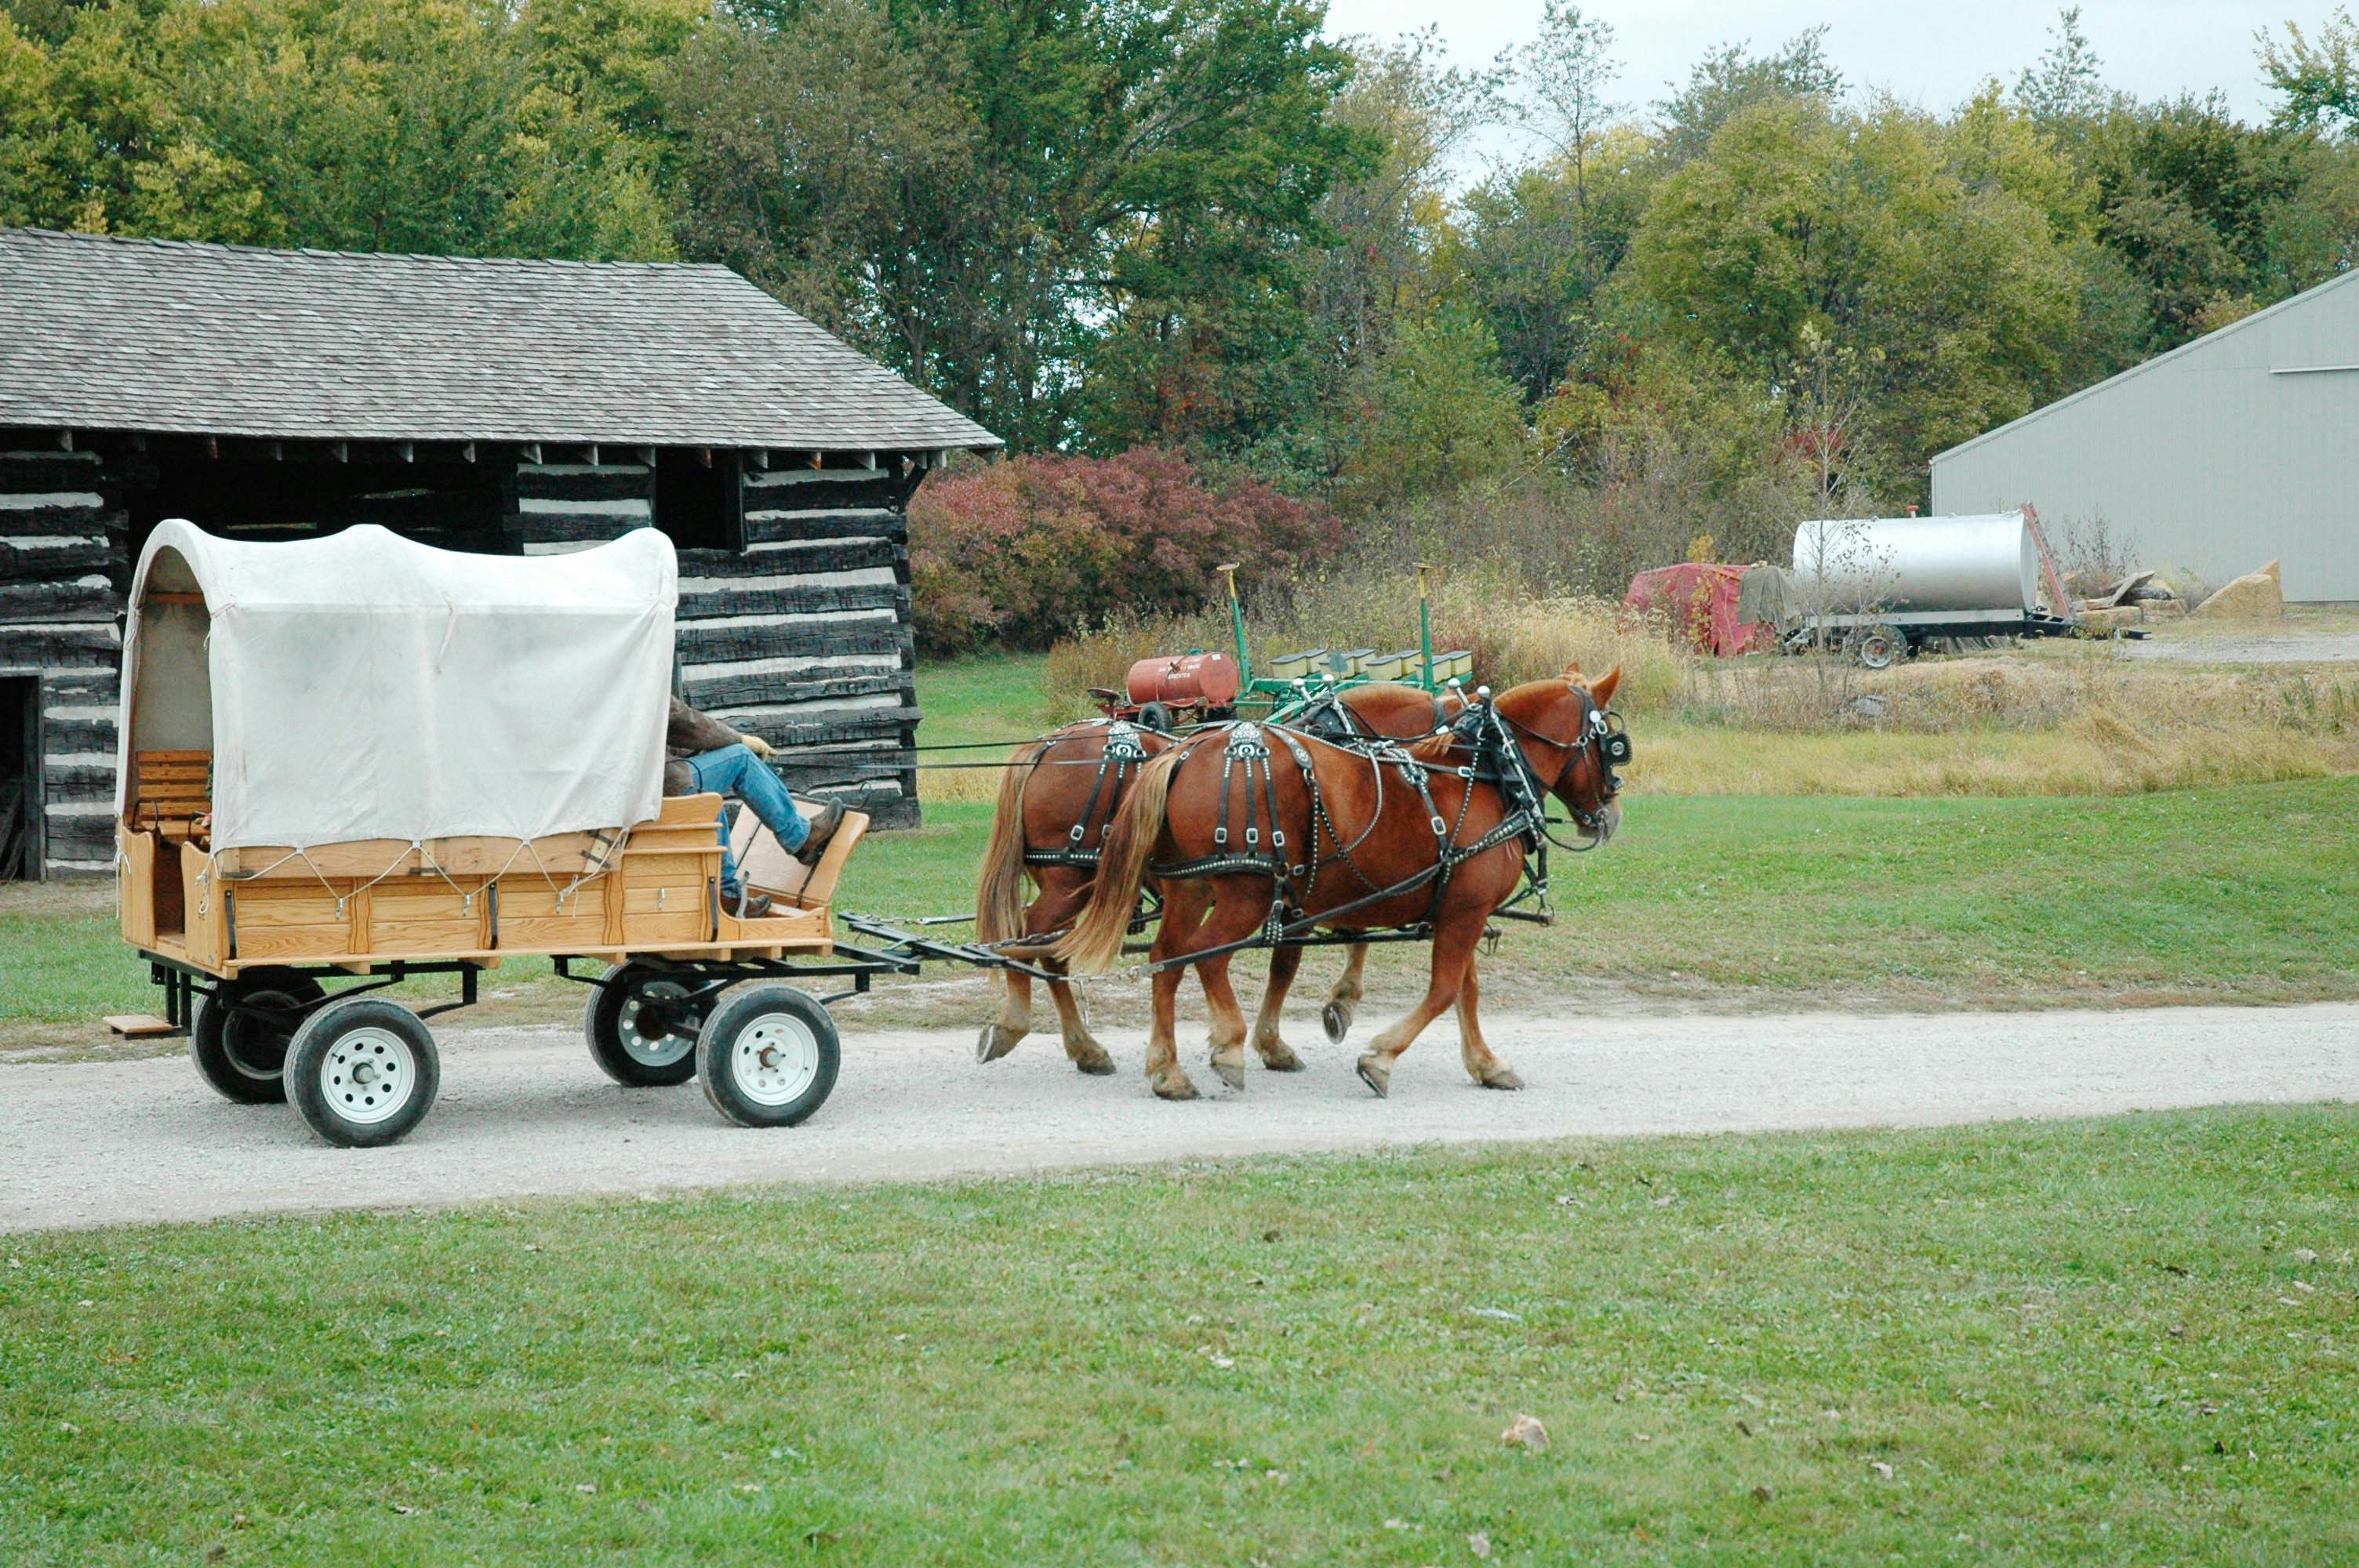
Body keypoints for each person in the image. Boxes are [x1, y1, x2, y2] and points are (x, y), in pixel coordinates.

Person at [666, 698, 845, 919]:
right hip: (661, 787)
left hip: (638, 794)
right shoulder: (642, 674)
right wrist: (739, 739)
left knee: (707, 797)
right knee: (741, 758)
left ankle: (727, 894)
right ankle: (801, 838)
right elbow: (682, 720)